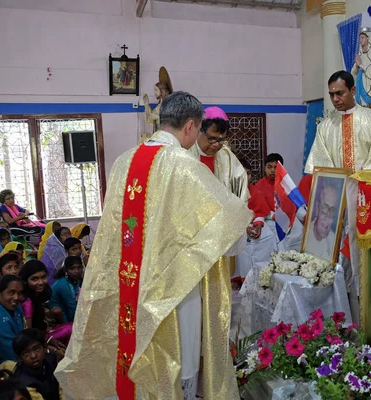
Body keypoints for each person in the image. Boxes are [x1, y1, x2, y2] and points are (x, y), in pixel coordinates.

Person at [54, 91, 252, 399]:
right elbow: (224, 231)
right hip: (172, 288)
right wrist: (244, 227)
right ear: (190, 126)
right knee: (178, 364)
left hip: (131, 278)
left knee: (134, 353)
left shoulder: (124, 161)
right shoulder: (183, 167)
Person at [305, 71, 371, 174]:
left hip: (366, 186)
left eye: (340, 93)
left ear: (353, 90)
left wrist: (359, 179)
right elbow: (320, 162)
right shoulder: (324, 127)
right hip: (337, 188)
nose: (335, 99)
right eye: (332, 95)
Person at [188, 106, 250, 203]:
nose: (216, 144)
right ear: (199, 131)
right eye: (212, 138)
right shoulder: (186, 152)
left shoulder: (226, 155)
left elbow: (240, 186)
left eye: (221, 140)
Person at [12, 329, 64, 400]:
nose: (33, 356)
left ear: (45, 348)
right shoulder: (23, 383)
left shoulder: (50, 360)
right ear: (19, 358)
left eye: (37, 349)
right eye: (26, 353)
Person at [305, 179, 341, 261]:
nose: (327, 217)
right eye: (324, 208)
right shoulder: (303, 235)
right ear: (317, 208)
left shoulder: (333, 241)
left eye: (332, 211)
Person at [351, 27, 371, 110]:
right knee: (360, 104)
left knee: (369, 105)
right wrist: (356, 66)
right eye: (359, 38)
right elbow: (353, 73)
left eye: (362, 38)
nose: (360, 40)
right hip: (360, 81)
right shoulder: (360, 54)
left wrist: (360, 65)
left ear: (368, 38)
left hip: (369, 85)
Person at [49, 256, 83, 324]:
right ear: (66, 270)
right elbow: (72, 309)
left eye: (79, 267)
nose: (76, 271)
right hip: (63, 321)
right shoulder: (63, 284)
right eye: (72, 268)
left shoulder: (74, 280)